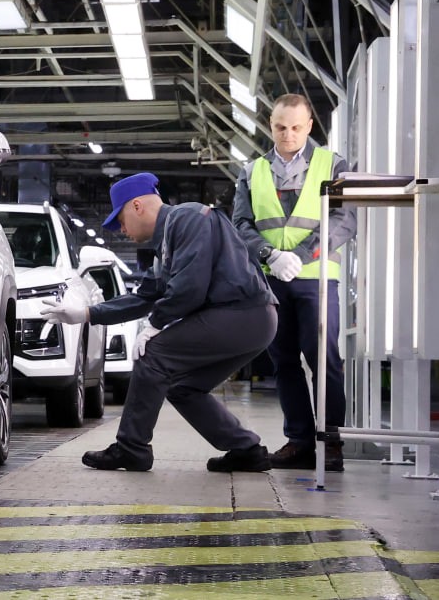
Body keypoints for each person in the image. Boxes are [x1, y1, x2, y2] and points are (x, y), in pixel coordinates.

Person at [41, 172, 277, 473]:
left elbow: (190, 288)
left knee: (152, 355)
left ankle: (131, 449)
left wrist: (154, 325)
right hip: (247, 320)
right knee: (183, 387)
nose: (121, 230)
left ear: (137, 206)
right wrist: (87, 313)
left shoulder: (188, 217)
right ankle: (247, 450)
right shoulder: (165, 247)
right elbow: (145, 297)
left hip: (243, 314)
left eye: (121, 220)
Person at [232, 93, 355, 472]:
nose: (288, 134)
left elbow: (344, 220)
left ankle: (330, 444)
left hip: (317, 279)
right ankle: (300, 442)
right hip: (271, 280)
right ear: (271, 125)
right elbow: (240, 224)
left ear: (309, 126)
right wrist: (269, 254)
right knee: (283, 361)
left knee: (325, 361)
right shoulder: (252, 171)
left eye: (296, 128)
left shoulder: (333, 164)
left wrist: (300, 256)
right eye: (281, 127)